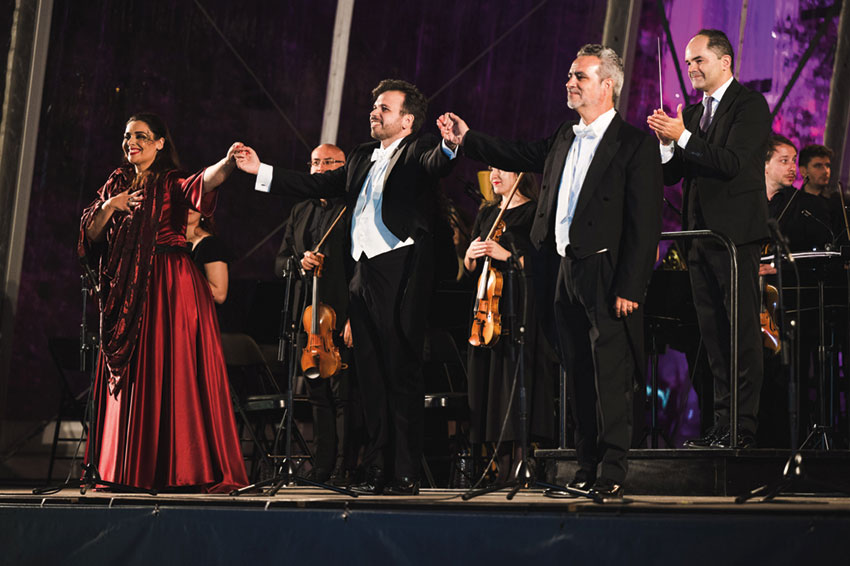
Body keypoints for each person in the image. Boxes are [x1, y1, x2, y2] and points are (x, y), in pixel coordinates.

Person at [440, 44, 663, 499]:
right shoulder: (564, 135)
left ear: (607, 85)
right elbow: (519, 152)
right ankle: (585, 465)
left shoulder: (634, 144)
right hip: (561, 269)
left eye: (580, 76)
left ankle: (613, 468)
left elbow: (645, 225)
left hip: (605, 271)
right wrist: (468, 138)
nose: (570, 82)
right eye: (570, 75)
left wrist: (630, 285)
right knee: (577, 371)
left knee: (609, 374)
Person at [236, 79, 456, 495]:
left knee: (400, 372)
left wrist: (450, 146)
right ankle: (376, 468)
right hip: (363, 272)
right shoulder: (359, 156)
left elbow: (437, 162)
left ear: (407, 120)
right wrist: (261, 171)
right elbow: (317, 185)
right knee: (369, 376)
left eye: (385, 108)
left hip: (400, 269)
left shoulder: (419, 148)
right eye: (374, 106)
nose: (375, 112)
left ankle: (405, 471)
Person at [79, 113, 248, 492]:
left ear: (159, 143)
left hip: (167, 285)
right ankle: (125, 470)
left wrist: (228, 163)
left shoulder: (171, 181)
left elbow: (204, 182)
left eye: (141, 136)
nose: (132, 142)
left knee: (168, 370)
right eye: (127, 136)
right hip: (127, 289)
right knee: (135, 374)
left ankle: (178, 469)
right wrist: (110, 206)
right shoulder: (116, 183)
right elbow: (91, 234)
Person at [647, 29, 771, 449]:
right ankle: (721, 424)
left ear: (725, 61)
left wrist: (683, 136)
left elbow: (732, 162)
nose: (691, 68)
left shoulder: (749, 105)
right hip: (698, 239)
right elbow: (673, 175)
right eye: (687, 63)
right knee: (714, 337)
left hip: (734, 241)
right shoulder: (697, 114)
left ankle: (744, 427)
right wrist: (667, 144)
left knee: (740, 334)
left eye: (698, 59)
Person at [274, 143, 360, 486]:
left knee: (344, 397)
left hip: (341, 315)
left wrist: (356, 316)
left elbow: (362, 266)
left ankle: (345, 466)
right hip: (307, 320)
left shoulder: (352, 208)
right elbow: (280, 260)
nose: (320, 168)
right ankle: (322, 466)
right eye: (314, 163)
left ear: (343, 168)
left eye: (328, 162)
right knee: (317, 396)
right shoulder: (300, 210)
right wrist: (299, 262)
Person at [463, 167, 556, 483]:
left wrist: (507, 255)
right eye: (492, 168)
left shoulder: (534, 212)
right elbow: (471, 267)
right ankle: (498, 462)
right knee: (490, 381)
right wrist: (470, 255)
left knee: (514, 380)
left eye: (503, 168)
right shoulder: (487, 213)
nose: (494, 174)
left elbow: (544, 262)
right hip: (487, 309)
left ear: (520, 175)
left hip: (520, 306)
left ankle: (519, 462)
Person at [186, 210, 231, 304]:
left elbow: (220, 295)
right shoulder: (163, 241)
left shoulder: (211, 244)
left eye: (195, 204)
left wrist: (183, 278)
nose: (190, 208)